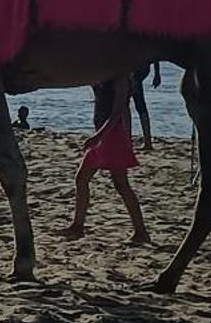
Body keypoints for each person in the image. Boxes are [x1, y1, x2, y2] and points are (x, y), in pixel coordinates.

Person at [63, 77, 151, 245]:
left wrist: (98, 136)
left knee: (121, 183)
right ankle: (77, 226)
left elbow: (117, 113)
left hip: (113, 135)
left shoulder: (121, 79)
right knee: (81, 179)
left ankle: (141, 232)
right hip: (102, 135)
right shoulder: (101, 74)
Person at [130, 63, 159, 150]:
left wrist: (157, 74)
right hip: (138, 69)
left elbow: (155, 56)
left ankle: (147, 141)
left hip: (137, 69)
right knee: (138, 104)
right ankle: (147, 141)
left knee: (136, 103)